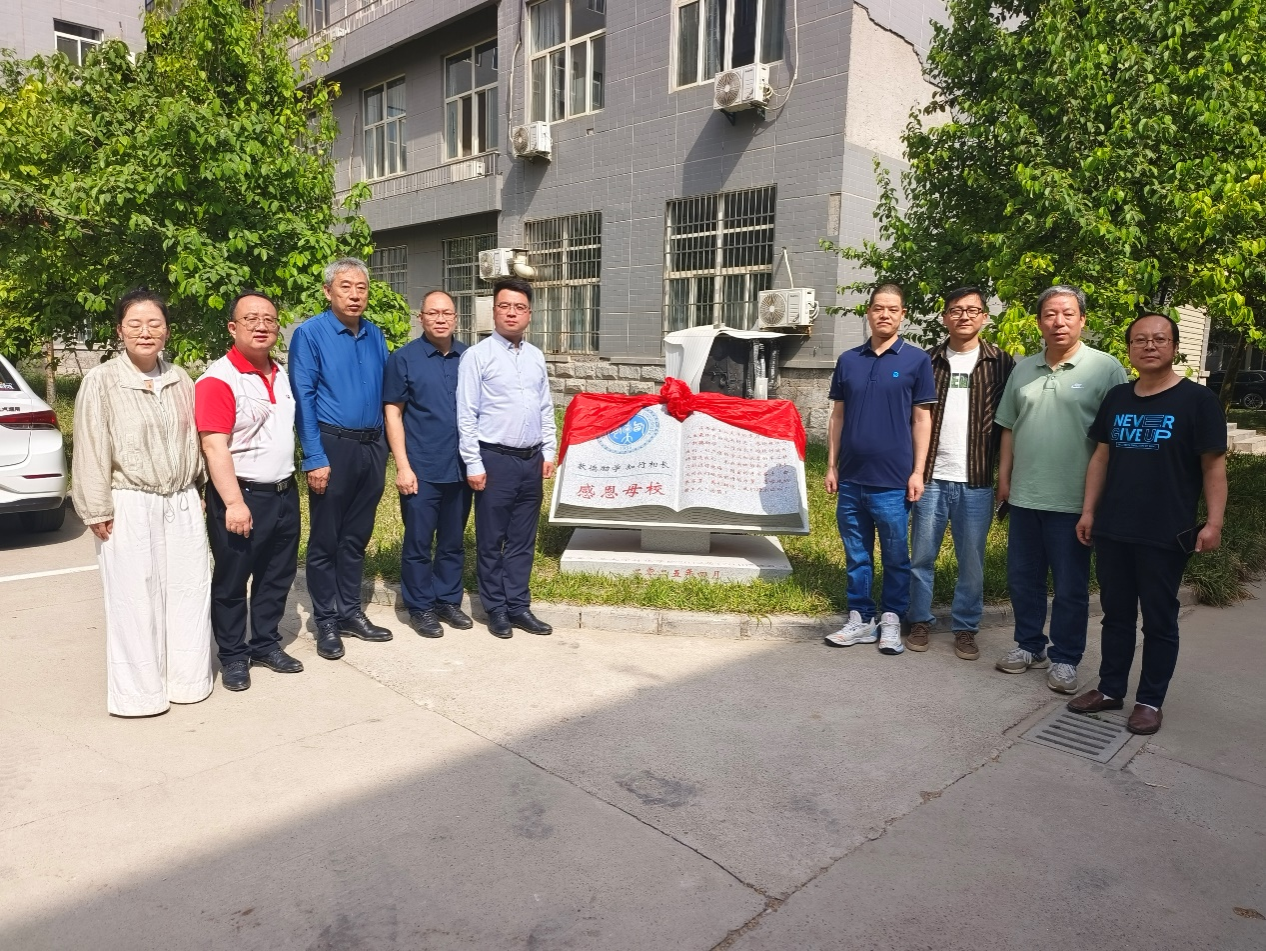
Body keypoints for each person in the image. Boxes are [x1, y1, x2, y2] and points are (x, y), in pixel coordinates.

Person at [1069, 313, 1227, 734]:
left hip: (1165, 531)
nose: (1150, 346)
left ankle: (1149, 701)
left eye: (1159, 339)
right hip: (1114, 527)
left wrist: (1213, 522)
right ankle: (1110, 689)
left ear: (1174, 346)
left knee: (1159, 619)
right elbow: (1101, 458)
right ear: (1130, 349)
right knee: (1116, 615)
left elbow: (1213, 467)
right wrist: (1089, 511)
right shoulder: (1118, 397)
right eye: (1140, 340)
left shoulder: (1198, 401)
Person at [70, 288, 214, 716]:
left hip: (182, 500)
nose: (145, 332)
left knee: (189, 593)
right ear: (120, 331)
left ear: (167, 330)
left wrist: (200, 488)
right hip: (130, 501)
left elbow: (195, 439)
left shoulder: (181, 379)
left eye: (154, 323)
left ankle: (188, 681)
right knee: (134, 598)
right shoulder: (102, 381)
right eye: (135, 324)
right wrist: (96, 508)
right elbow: (91, 446)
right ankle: (139, 695)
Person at [994, 285, 1128, 692]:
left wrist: (1102, 500)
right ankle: (1029, 645)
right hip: (1025, 495)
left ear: (1083, 320)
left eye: (1068, 314)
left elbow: (1116, 438)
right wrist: (1004, 478)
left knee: (1070, 586)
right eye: (1050, 314)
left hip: (1074, 500)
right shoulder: (1024, 369)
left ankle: (1066, 657)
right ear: (1039, 322)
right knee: (1023, 578)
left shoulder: (1105, 369)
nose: (1059, 322)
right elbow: (1009, 427)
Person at [195, 291, 304, 692]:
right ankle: (233, 655)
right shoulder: (218, 379)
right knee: (232, 579)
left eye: (269, 319)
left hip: (284, 492)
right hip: (240, 495)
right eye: (251, 319)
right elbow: (213, 446)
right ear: (232, 327)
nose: (261, 326)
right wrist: (233, 503)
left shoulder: (281, 373)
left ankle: (264, 644)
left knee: (277, 575)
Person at [823, 284, 937, 654]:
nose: (884, 314)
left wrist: (917, 471)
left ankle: (891, 619)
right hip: (851, 479)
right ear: (868, 312)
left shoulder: (916, 360)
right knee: (856, 555)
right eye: (878, 308)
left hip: (893, 481)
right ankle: (860, 618)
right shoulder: (848, 360)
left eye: (892, 309)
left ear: (903, 315)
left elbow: (922, 419)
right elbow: (837, 416)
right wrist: (831, 465)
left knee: (895, 556)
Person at [289, 258, 393, 660]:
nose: (354, 295)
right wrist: (314, 456)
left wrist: (385, 446)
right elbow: (304, 398)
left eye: (361, 288)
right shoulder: (310, 334)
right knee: (326, 539)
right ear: (328, 291)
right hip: (333, 446)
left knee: (356, 536)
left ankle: (350, 612)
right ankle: (326, 620)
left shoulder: (374, 334)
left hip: (372, 446)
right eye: (345, 286)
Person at [906, 287, 1015, 660]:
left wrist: (1005, 476)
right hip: (931, 477)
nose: (964, 316)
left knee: (972, 562)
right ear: (944, 317)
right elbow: (914, 417)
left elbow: (1009, 424)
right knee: (922, 556)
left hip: (977, 480)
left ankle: (966, 627)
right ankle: (919, 620)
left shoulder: (1002, 363)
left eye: (972, 310)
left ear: (984, 316)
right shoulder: (927, 361)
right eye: (956, 310)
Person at [456, 277, 556, 639]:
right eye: (505, 306)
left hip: (531, 459)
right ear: (494, 311)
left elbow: (545, 406)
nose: (512, 313)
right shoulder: (477, 356)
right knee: (491, 539)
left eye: (519, 307)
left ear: (529, 314)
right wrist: (473, 462)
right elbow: (466, 414)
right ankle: (495, 608)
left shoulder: (535, 356)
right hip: (494, 459)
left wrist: (549, 449)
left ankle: (518, 605)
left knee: (522, 539)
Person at [383, 291, 474, 638]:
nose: (440, 319)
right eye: (433, 313)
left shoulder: (470, 357)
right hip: (421, 467)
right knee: (418, 543)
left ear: (456, 318)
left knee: (453, 541)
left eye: (447, 313)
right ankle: (420, 607)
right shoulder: (404, 359)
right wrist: (403, 466)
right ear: (420, 317)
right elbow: (393, 413)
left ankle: (447, 600)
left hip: (461, 468)